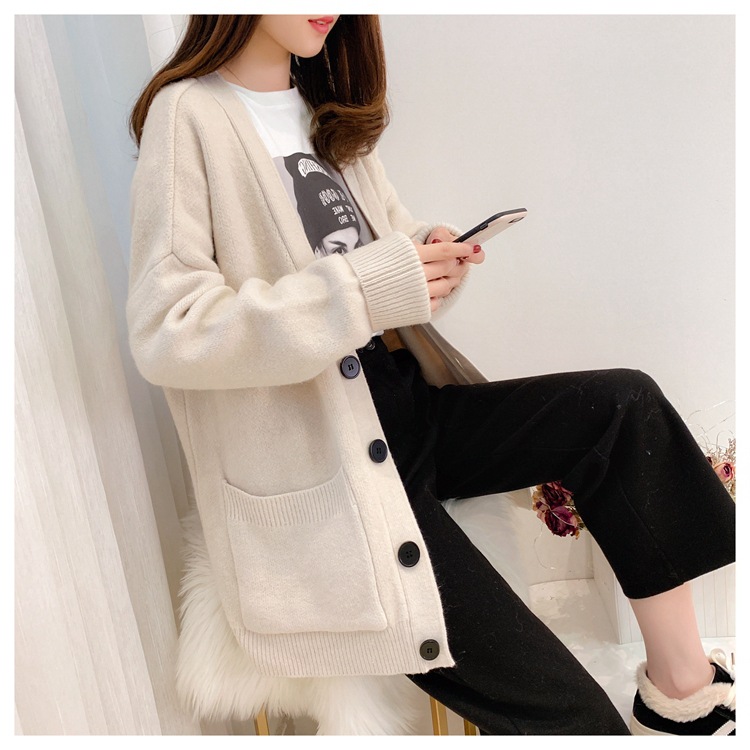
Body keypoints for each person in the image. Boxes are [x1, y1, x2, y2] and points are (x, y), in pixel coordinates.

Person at [126, 15, 736, 735]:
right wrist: (368, 285)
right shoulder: (188, 114)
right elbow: (170, 330)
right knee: (575, 718)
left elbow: (382, 244)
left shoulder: (320, 105)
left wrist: (429, 252)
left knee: (624, 405)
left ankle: (681, 694)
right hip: (330, 470)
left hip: (406, 406)